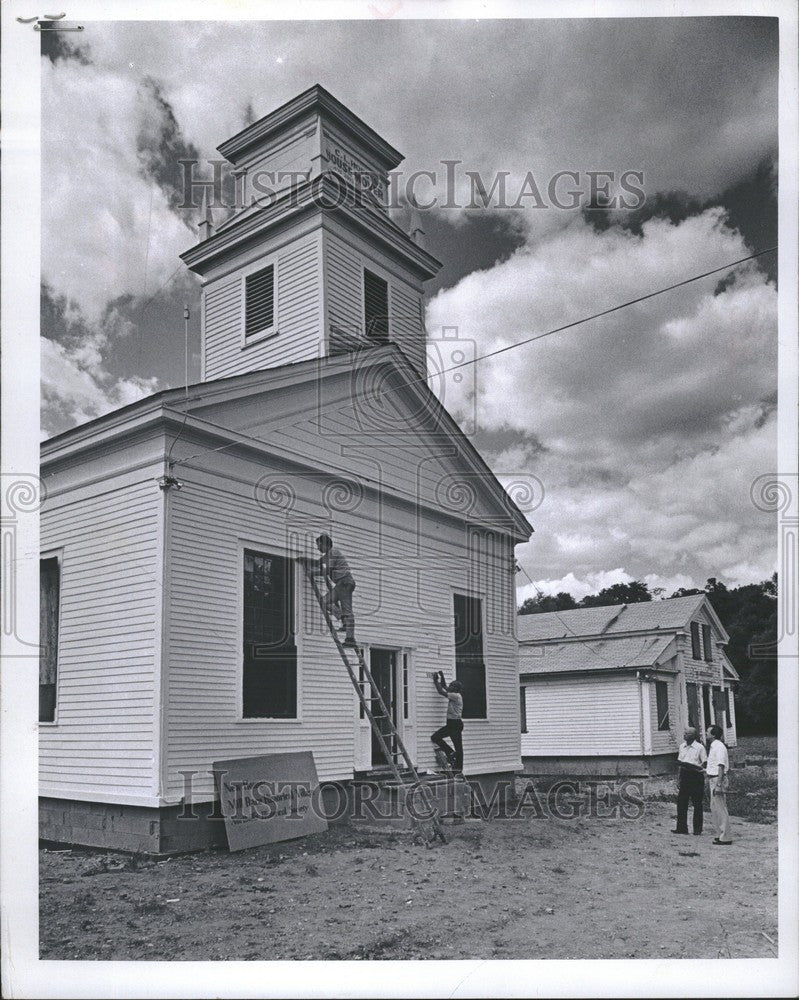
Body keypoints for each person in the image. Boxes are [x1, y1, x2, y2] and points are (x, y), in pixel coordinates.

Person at [315, 534, 357, 647]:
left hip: (345, 583)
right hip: (340, 584)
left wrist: (313, 573)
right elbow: (319, 562)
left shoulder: (333, 552)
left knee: (347, 610)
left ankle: (350, 638)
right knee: (324, 602)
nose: (318, 548)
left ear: (325, 544)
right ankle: (342, 618)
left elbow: (327, 570)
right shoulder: (328, 555)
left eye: (319, 545)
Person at [673, 726, 706, 835]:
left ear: (692, 736)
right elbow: (680, 763)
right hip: (685, 775)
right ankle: (681, 828)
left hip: (696, 776)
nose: (684, 735)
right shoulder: (682, 746)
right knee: (682, 802)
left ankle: (697, 829)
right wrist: (678, 779)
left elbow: (704, 763)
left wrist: (698, 768)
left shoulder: (700, 748)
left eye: (686, 733)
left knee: (697, 803)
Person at [431, 671, 464, 773]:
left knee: (458, 747)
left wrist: (435, 680)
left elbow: (441, 691)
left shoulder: (456, 696)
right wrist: (442, 676)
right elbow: (445, 686)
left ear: (456, 688)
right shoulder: (453, 693)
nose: (450, 686)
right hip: (452, 724)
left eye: (452, 685)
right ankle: (451, 753)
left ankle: (458, 770)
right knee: (436, 737)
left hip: (455, 724)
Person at [706, 724, 732, 845]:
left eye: (707, 732)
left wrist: (719, 784)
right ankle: (720, 834)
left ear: (713, 734)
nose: (706, 734)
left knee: (720, 808)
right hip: (713, 778)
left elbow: (721, 765)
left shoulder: (719, 747)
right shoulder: (713, 746)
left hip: (718, 779)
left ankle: (725, 837)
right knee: (714, 808)